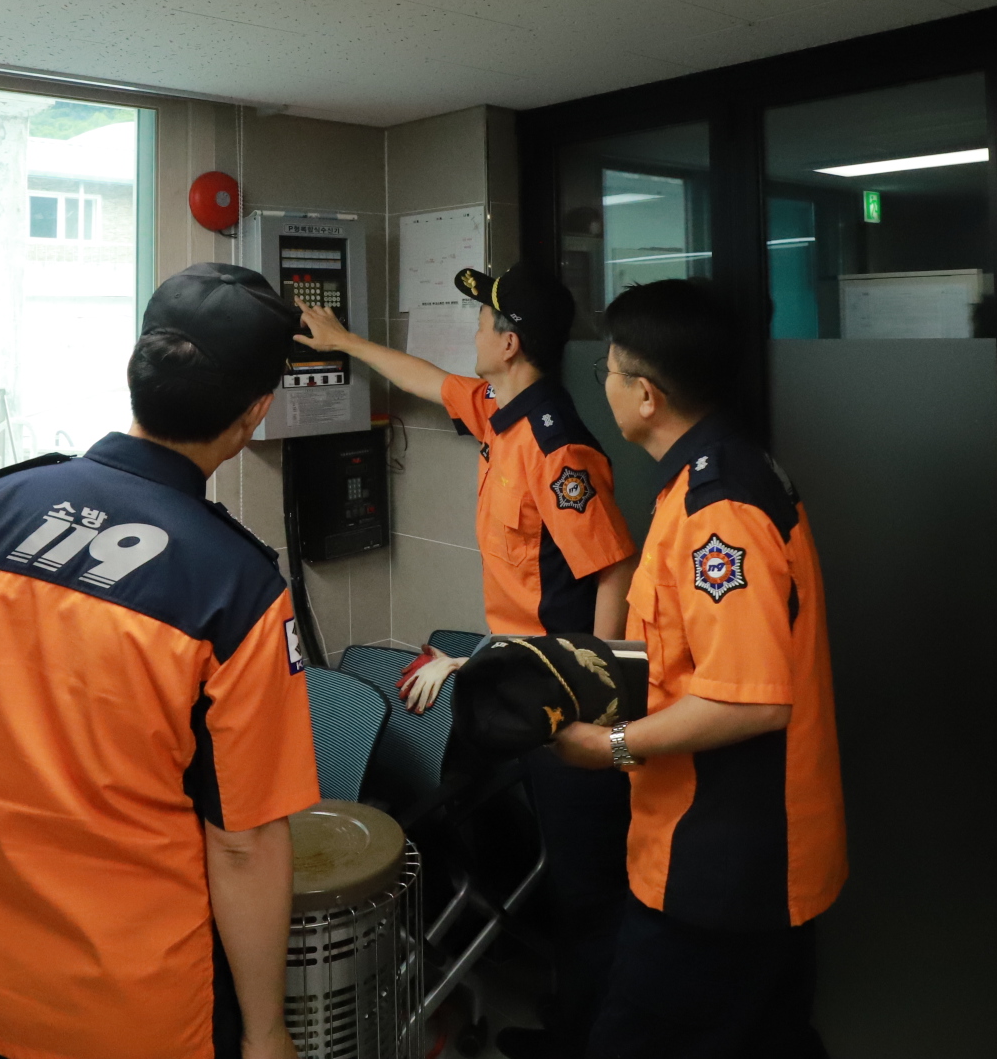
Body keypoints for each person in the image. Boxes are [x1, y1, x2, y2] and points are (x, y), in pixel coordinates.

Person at [0, 263, 319, 1059]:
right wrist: (265, 1031)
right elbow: (245, 843)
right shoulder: (236, 588)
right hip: (147, 1015)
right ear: (255, 412)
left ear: (139, 372)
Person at [294, 260, 636, 1059]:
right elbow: (427, 380)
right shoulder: (500, 413)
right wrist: (343, 340)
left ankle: (597, 1041)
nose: (473, 333)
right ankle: (570, 1024)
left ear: (510, 343)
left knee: (591, 890)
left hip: (566, 696)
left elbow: (612, 568)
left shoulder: (556, 446)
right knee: (560, 874)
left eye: (483, 322)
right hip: (526, 683)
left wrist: (597, 695)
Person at [552, 278, 843, 1059]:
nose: (605, 384)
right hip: (710, 854)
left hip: (723, 869)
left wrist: (607, 746)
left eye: (610, 370)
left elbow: (750, 701)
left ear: (646, 395)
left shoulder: (721, 509)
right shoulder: (697, 481)